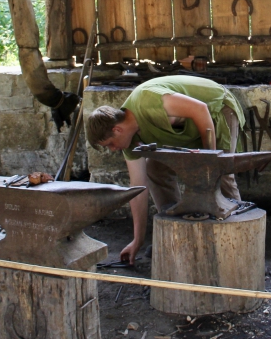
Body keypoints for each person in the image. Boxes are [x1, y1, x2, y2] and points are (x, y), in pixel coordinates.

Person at [85, 76, 246, 263]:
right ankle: (178, 233)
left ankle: (238, 242)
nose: (113, 149)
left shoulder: (147, 100)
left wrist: (207, 160)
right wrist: (138, 240)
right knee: (155, 169)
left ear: (117, 130)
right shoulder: (129, 144)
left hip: (216, 108)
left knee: (219, 171)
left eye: (110, 144)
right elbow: (138, 187)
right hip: (191, 125)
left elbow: (200, 109)